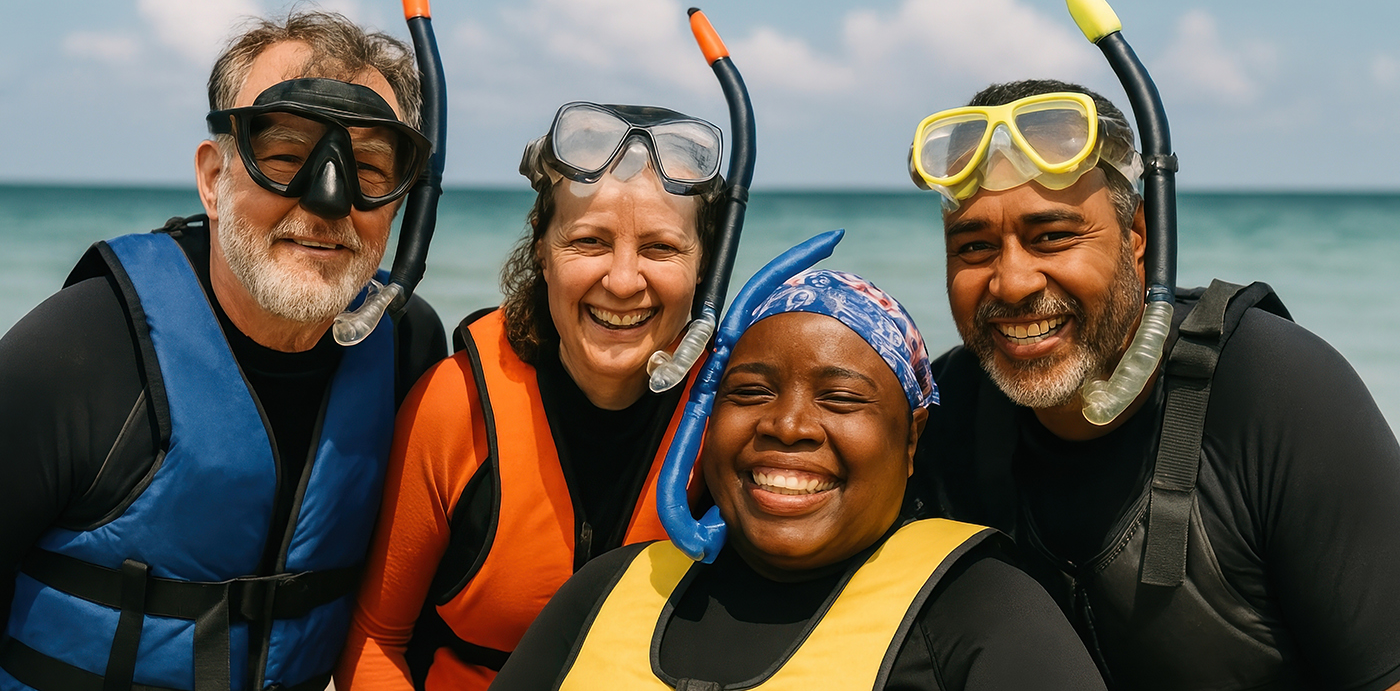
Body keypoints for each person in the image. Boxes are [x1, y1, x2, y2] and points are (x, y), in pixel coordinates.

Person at [0, 11, 447, 691]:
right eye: (286, 157)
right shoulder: (80, 354)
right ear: (213, 178)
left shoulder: (408, 350)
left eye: (369, 168)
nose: (328, 200)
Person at [906, 78, 1400, 690]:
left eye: (1053, 236)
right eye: (975, 246)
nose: (1011, 283)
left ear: (1137, 238)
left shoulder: (1276, 393)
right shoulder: (941, 416)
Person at [491, 264, 1108, 690]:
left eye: (840, 399)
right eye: (750, 391)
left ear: (913, 437)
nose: (787, 426)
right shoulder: (608, 591)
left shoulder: (982, 614)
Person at [335, 101, 729, 691]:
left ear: (704, 267)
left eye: (661, 249)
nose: (622, 280)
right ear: (542, 250)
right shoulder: (456, 406)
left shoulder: (733, 415)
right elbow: (374, 640)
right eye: (590, 242)